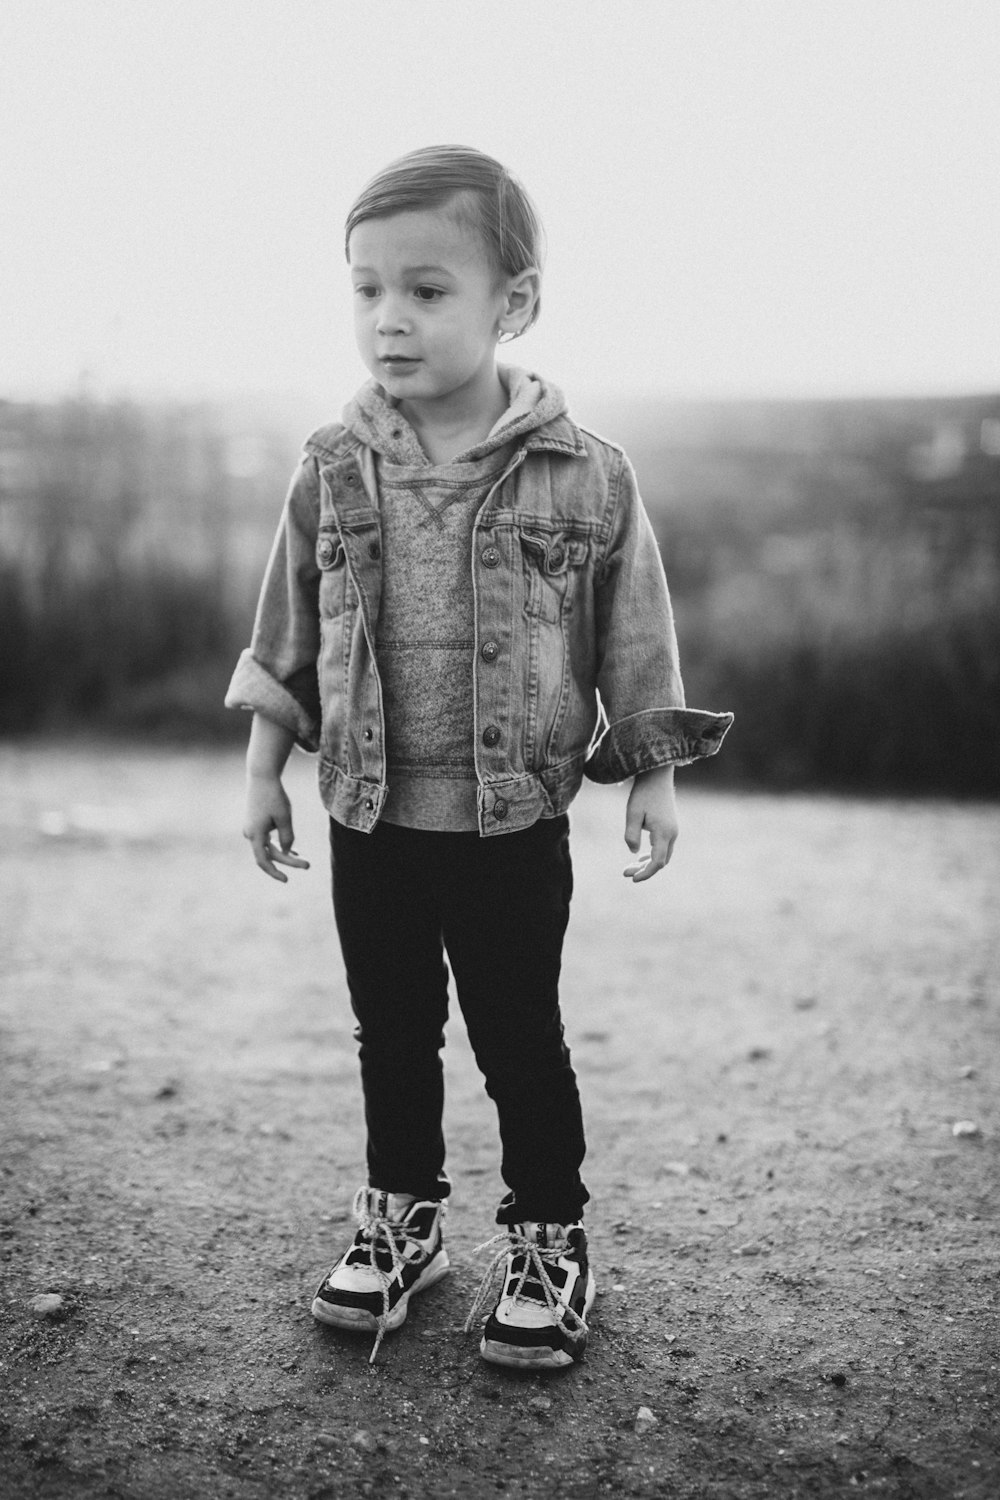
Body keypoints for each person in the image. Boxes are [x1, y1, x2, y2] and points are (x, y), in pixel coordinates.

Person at [226, 144, 732, 1369]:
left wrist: (651, 767)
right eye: (366, 289)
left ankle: (548, 1234)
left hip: (510, 823)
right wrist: (262, 766)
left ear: (513, 300)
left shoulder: (585, 474)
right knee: (389, 1031)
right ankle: (402, 1218)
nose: (388, 320)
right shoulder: (332, 466)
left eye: (427, 289)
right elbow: (288, 623)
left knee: (518, 1035)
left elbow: (634, 631)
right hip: (370, 811)